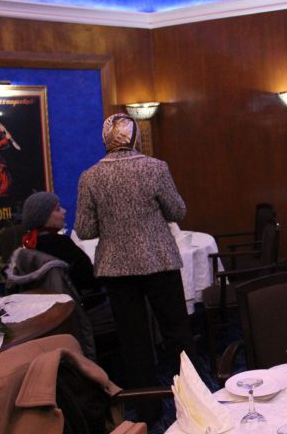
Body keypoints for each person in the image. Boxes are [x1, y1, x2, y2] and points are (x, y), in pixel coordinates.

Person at [74, 113, 197, 423]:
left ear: (105, 138)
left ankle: (147, 413)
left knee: (134, 342)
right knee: (177, 333)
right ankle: (195, 402)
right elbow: (177, 211)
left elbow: (85, 230)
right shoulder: (156, 168)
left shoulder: (90, 176)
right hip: (160, 259)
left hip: (116, 268)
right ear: (135, 137)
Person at [19, 191, 98, 292]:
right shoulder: (61, 244)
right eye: (57, 209)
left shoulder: (29, 247)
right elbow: (89, 278)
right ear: (44, 217)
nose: (64, 211)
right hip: (72, 300)